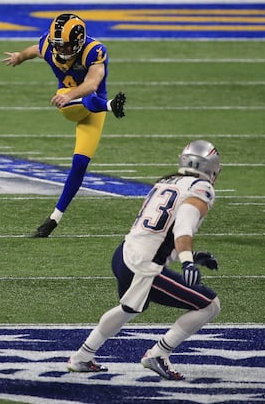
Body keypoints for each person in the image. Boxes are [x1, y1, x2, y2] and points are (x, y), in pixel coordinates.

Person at [68, 139, 221, 380]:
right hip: (143, 266)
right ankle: (158, 354)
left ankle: (81, 357)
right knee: (209, 305)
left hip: (124, 252)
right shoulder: (201, 188)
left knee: (128, 308)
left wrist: (191, 255)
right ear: (211, 167)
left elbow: (160, 230)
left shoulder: (166, 181)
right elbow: (182, 227)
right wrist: (186, 261)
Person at [3, 13, 126, 237]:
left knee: (80, 163)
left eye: (66, 45)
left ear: (79, 42)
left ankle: (53, 220)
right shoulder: (50, 45)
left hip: (89, 103)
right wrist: (20, 57)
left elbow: (91, 83)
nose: (60, 50)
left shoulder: (94, 51)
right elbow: (36, 50)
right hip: (71, 103)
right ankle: (109, 106)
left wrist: (71, 95)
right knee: (72, 102)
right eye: (57, 44)